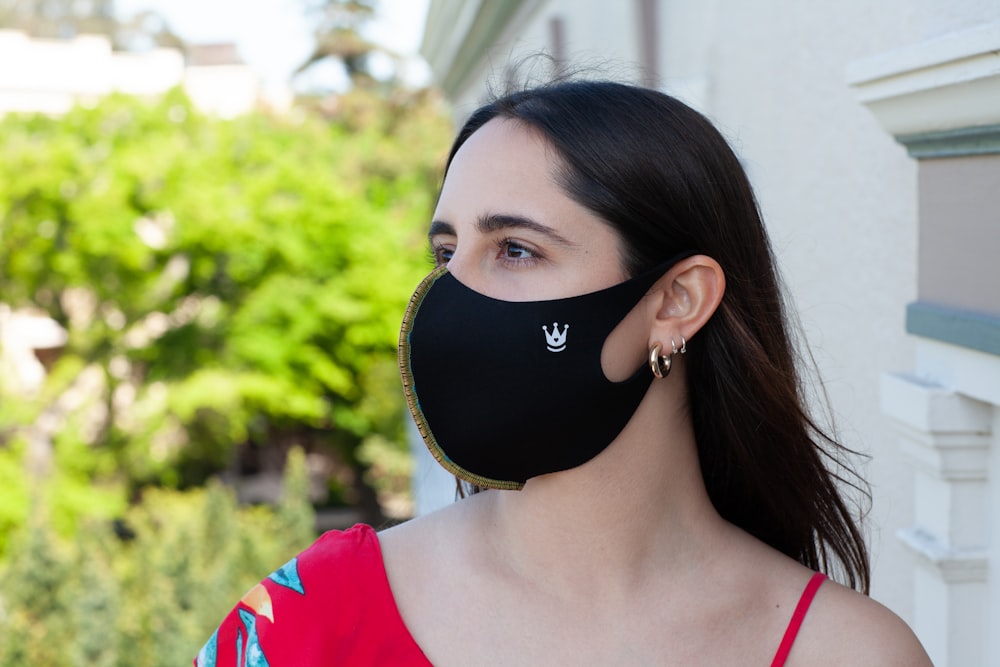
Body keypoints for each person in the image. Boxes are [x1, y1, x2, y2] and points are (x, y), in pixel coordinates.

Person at [195, 79, 932, 666]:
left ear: (676, 300)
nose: (451, 298)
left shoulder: (850, 653)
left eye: (515, 249)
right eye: (447, 254)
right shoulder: (307, 619)